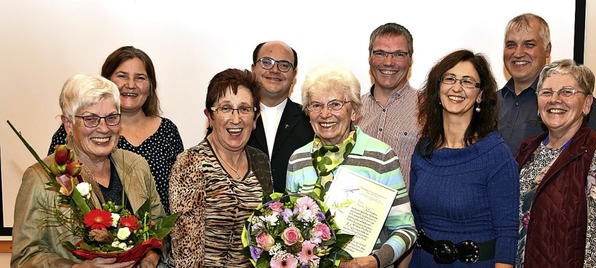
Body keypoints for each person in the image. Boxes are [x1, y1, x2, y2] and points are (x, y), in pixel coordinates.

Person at [12, 74, 165, 268]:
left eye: (111, 118)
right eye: (90, 119)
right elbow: (24, 259)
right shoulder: (41, 178)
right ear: (68, 124)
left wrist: (152, 255)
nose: (103, 129)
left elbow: (159, 227)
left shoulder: (137, 165)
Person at [286, 64, 417, 268]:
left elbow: (406, 229)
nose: (325, 114)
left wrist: (376, 260)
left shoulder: (381, 156)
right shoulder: (298, 159)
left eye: (336, 104)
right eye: (316, 105)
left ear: (354, 110)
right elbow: (289, 226)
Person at [409, 50, 519, 267]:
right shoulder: (423, 150)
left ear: (480, 95)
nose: (456, 88)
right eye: (449, 79)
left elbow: (507, 233)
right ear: (438, 88)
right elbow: (414, 221)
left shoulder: (496, 154)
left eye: (468, 82)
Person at [515, 59, 596, 267]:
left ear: (587, 104)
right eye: (547, 92)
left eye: (567, 92)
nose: (555, 100)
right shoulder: (528, 149)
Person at [48, 46, 184, 214]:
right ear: (106, 82)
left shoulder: (168, 132)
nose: (131, 85)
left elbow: (179, 193)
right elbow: (54, 188)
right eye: (122, 76)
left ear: (150, 87)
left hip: (152, 233)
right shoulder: (74, 130)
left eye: (140, 78)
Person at [498, 13, 596, 172]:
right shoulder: (490, 102)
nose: (518, 53)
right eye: (511, 45)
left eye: (529, 44)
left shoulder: (571, 102)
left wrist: (565, 188)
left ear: (547, 49)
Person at [169, 68, 273, 267]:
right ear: (210, 116)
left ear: (255, 118)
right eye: (225, 108)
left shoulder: (260, 160)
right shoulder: (191, 163)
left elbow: (266, 235)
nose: (236, 119)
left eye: (244, 109)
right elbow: (186, 250)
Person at [248, 40, 315, 193]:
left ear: (294, 74)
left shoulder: (311, 120)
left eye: (284, 65)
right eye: (266, 62)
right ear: (253, 69)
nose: (275, 70)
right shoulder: (236, 119)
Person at [359, 22, 419, 189]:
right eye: (380, 53)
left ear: (410, 59)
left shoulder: (428, 109)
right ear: (369, 57)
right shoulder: (352, 109)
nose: (388, 62)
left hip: (407, 213)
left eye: (399, 54)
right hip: (354, 213)